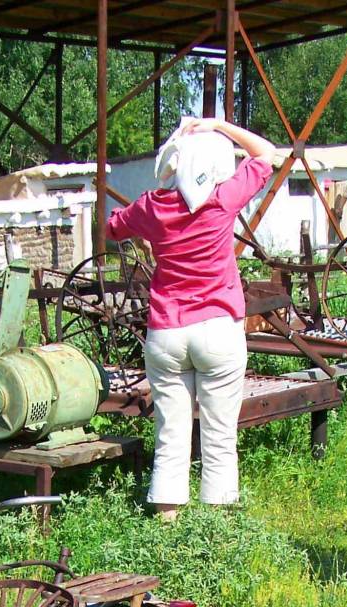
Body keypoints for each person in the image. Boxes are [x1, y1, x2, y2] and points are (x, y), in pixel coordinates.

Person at [104, 117, 275, 519]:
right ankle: (214, 529)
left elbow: (112, 228)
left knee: (171, 434)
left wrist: (151, 226)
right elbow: (266, 153)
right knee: (219, 434)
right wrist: (217, 124)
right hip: (218, 328)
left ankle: (166, 524)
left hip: (167, 331)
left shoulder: (151, 206)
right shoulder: (224, 198)